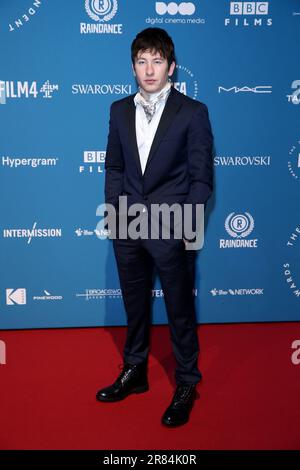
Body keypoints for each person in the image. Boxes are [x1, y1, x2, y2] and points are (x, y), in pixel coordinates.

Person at [96, 27, 213, 427]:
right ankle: (136, 372)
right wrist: (114, 210)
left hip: (172, 224)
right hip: (126, 223)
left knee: (179, 310)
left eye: (157, 61)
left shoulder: (193, 113)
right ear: (133, 67)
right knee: (135, 306)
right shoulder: (118, 110)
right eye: (142, 61)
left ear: (172, 67)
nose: (149, 69)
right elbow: (114, 166)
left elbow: (201, 178)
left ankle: (185, 383)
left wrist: (188, 222)